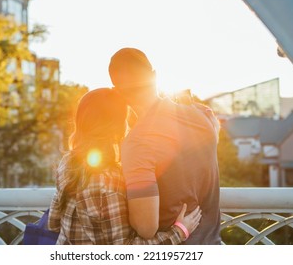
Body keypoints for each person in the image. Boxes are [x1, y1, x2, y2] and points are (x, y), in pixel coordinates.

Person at [48, 88, 202, 244]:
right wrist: (179, 232)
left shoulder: (67, 163)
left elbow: (53, 224)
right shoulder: (109, 182)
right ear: (118, 126)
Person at [108, 47, 221, 244]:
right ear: (154, 76)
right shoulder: (203, 116)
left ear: (117, 92)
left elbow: (146, 227)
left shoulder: (137, 144)